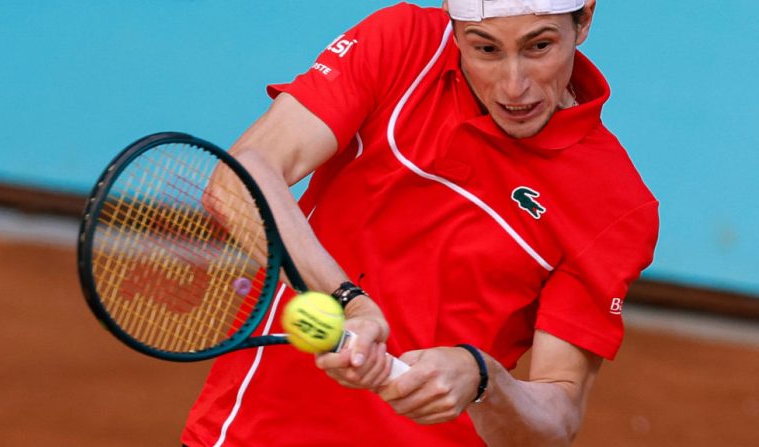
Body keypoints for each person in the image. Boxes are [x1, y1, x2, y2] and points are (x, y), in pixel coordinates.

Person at [182, 0, 659, 445]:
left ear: (585, 20)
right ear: (455, 31)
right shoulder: (404, 45)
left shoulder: (614, 204)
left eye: (539, 46)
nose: (514, 86)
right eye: (485, 49)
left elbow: (557, 419)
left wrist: (482, 378)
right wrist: (348, 302)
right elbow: (238, 179)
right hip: (252, 434)